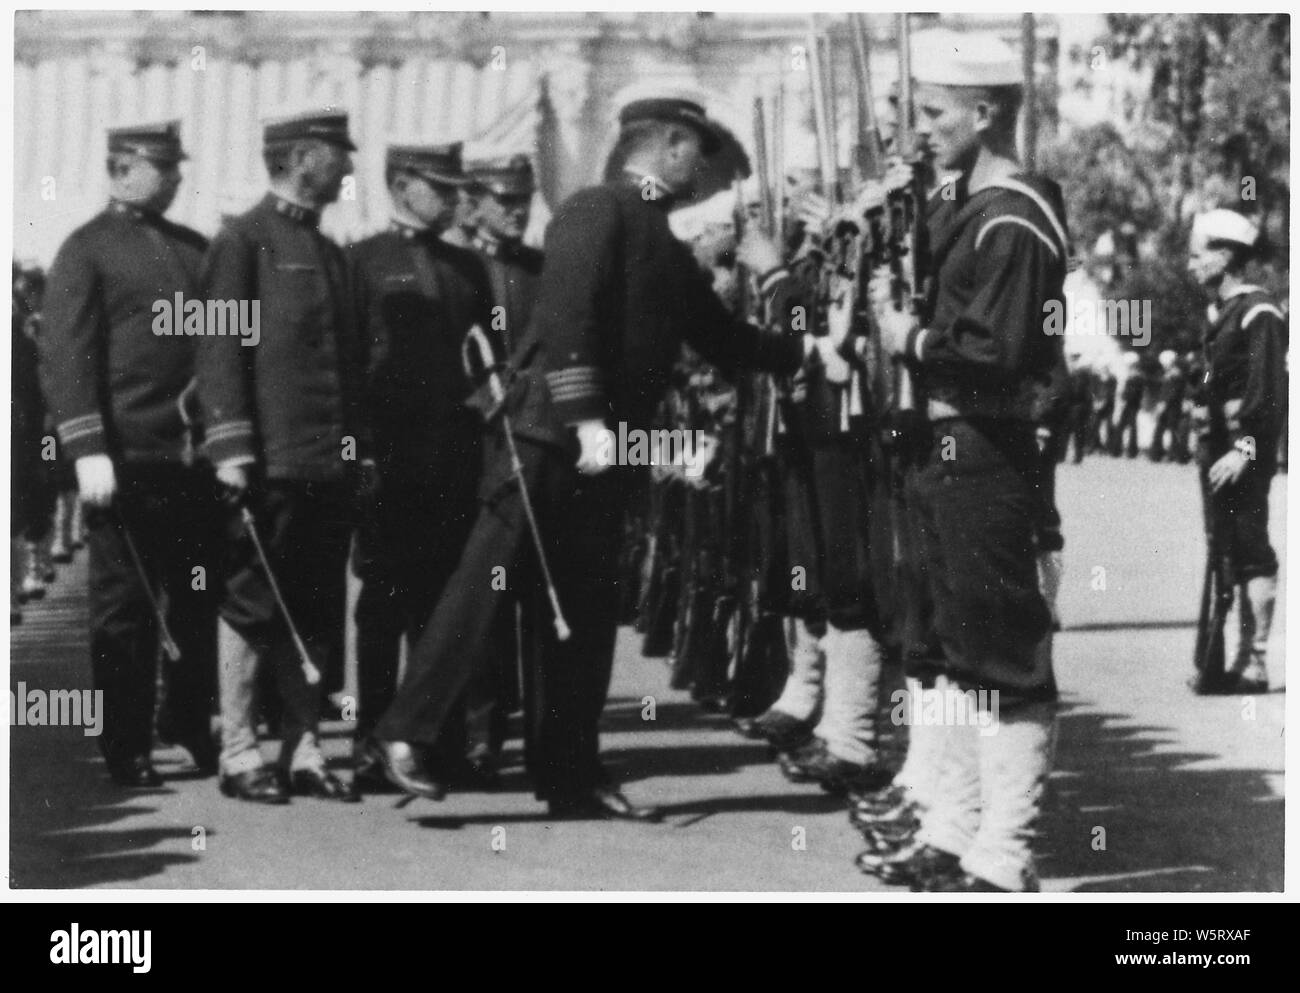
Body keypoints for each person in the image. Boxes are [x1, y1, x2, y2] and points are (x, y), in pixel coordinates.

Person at [367, 90, 812, 820]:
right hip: (550, 434)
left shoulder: (662, 241)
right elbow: (567, 313)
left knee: (582, 612)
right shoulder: (595, 209)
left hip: (608, 450)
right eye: (699, 154)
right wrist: (582, 416)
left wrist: (789, 302)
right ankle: (404, 732)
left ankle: (569, 770)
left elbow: (732, 342)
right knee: (486, 584)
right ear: (669, 146)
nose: (705, 171)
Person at [860, 29, 1068, 892]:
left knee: (1003, 656)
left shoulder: (1015, 218)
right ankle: (952, 829)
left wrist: (908, 333)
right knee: (951, 646)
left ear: (985, 113)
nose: (919, 127)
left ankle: (1003, 852)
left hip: (986, 447)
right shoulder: (966, 209)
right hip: (946, 446)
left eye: (934, 112)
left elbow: (995, 347)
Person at [197, 107, 371, 804]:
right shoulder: (244, 241)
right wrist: (231, 448)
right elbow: (218, 351)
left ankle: (304, 747)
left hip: (326, 464)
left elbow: (349, 367)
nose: (349, 168)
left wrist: (357, 453)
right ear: (302, 157)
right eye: (338, 155)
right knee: (250, 601)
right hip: (267, 460)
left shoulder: (329, 252)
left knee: (318, 604)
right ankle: (239, 751)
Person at [38, 121, 220, 786]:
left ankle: (191, 720)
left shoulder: (196, 249)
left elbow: (218, 351)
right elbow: (66, 354)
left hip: (191, 457)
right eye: (160, 167)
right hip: (126, 457)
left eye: (175, 167)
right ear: (120, 170)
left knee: (199, 597)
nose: (173, 178)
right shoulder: (85, 250)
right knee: (126, 605)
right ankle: (125, 741)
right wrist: (86, 445)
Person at [348, 142, 495, 789]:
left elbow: (492, 358)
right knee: (381, 605)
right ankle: (370, 741)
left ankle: (442, 740)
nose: (454, 197)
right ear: (401, 184)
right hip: (388, 460)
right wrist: (357, 452)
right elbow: (346, 368)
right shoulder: (361, 263)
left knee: (446, 607)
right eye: (439, 185)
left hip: (455, 460)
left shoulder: (469, 268)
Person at [1186, 208, 1286, 693]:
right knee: (1222, 548)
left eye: (1197, 253)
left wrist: (1245, 446)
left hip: (1241, 452)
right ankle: (1223, 658)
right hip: (1216, 449)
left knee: (1250, 548)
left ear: (1225, 256)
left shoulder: (1258, 310)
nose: (1191, 264)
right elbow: (1210, 378)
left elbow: (1267, 387)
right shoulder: (1221, 313)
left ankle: (1256, 661)